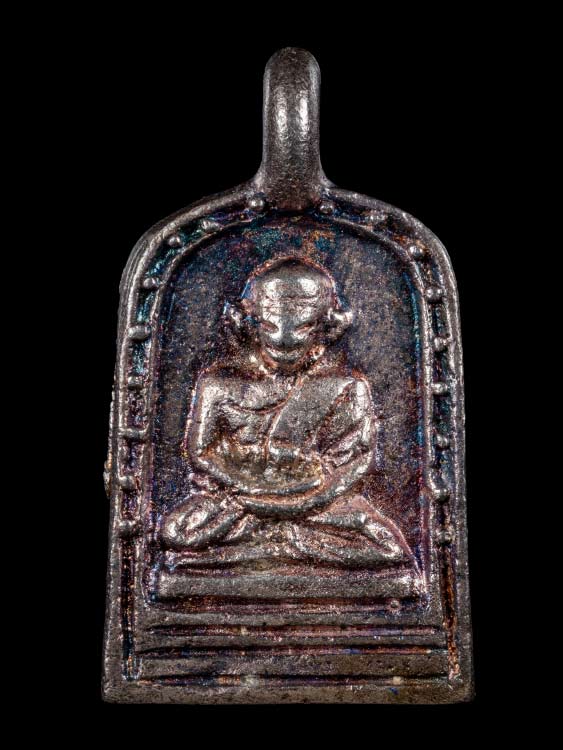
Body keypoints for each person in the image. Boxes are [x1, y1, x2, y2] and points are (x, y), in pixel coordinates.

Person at [161, 256, 414, 568]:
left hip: (315, 503)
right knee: (175, 532)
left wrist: (301, 502)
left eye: (303, 326)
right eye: (270, 325)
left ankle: (279, 542)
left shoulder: (346, 387)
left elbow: (356, 463)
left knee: (386, 546)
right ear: (249, 322)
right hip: (237, 499)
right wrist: (249, 489)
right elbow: (202, 452)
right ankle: (277, 543)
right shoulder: (218, 384)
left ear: (325, 326)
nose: (284, 339)